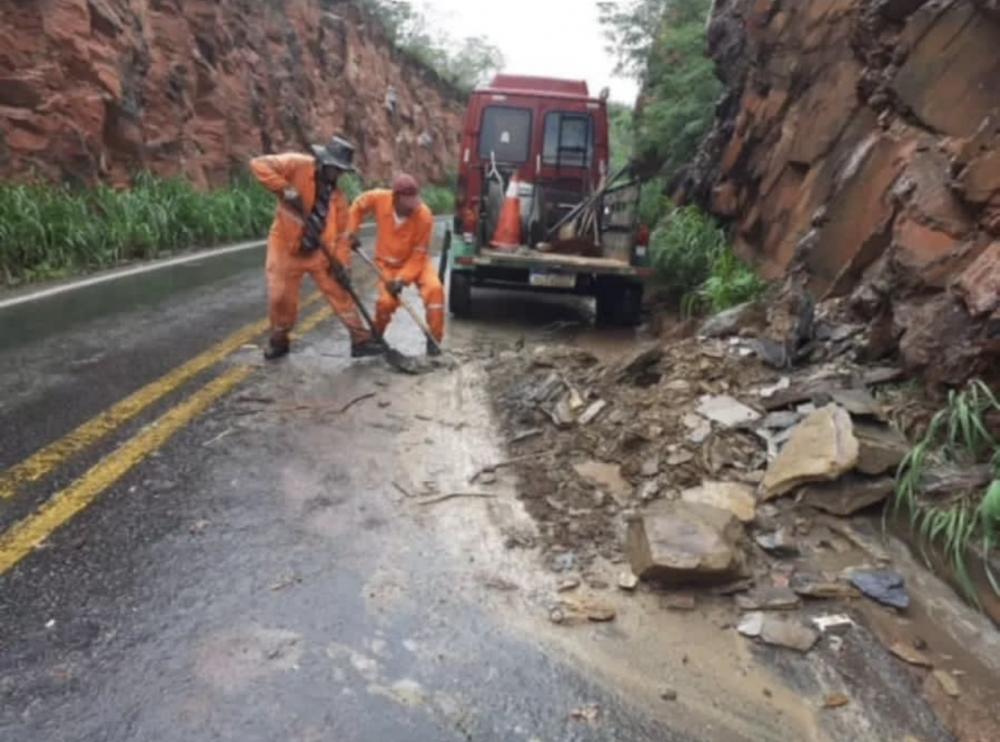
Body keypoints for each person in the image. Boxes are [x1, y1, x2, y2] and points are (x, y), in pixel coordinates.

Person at [250, 136, 382, 360]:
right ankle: (279, 340)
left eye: (342, 171)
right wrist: (285, 189)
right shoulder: (297, 164)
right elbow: (259, 164)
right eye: (336, 169)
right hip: (285, 247)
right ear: (325, 162)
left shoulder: (338, 199)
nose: (338, 174)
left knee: (341, 292)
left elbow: (341, 236)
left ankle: (360, 340)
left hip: (319, 252)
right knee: (281, 298)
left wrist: (342, 265)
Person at [347, 174, 445, 356]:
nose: (412, 209)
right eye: (408, 203)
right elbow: (357, 207)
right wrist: (352, 231)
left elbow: (418, 255)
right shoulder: (379, 198)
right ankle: (377, 337)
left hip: (416, 263)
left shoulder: (424, 216)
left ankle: (434, 342)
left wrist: (402, 280)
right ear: (396, 197)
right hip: (386, 264)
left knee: (435, 290)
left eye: (414, 202)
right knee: (385, 302)